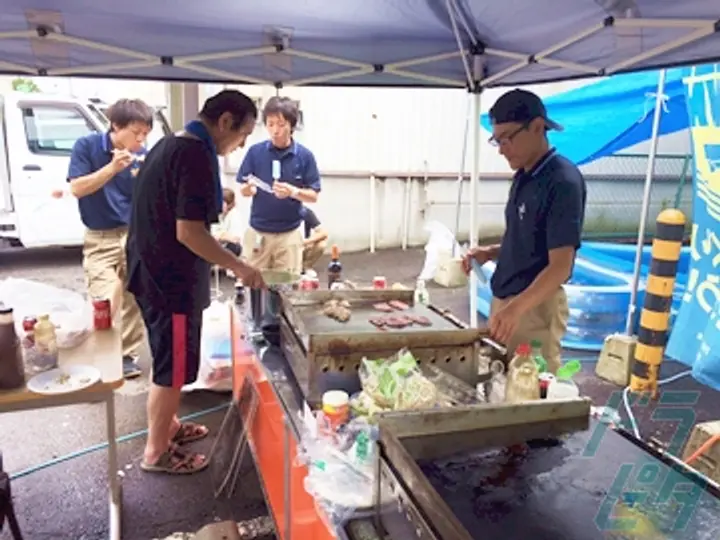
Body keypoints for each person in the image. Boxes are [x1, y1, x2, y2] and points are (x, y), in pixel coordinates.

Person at [126, 90, 265, 475]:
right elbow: (189, 232)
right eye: (243, 134)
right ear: (225, 122)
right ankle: (156, 452)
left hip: (147, 271)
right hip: (170, 283)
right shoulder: (197, 155)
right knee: (172, 371)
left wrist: (216, 197)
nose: (242, 144)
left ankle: (168, 426)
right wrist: (240, 267)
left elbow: (171, 203)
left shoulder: (172, 144)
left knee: (167, 359)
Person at [462, 89, 586, 374]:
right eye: (497, 139)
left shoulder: (562, 181)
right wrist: (490, 253)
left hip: (534, 308)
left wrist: (516, 309)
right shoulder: (525, 176)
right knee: (501, 381)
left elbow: (560, 268)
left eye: (507, 137)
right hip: (508, 301)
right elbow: (526, 237)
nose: (502, 148)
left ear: (538, 127)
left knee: (532, 388)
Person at [67, 98, 154, 380]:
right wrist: (112, 169)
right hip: (100, 236)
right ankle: (99, 355)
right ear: (116, 126)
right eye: (136, 132)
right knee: (105, 299)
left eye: (145, 134)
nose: (141, 140)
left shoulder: (143, 155)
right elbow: (78, 188)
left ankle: (126, 354)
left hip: (134, 234)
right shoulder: (87, 146)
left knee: (135, 295)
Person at [237, 97, 321, 276]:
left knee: (287, 288)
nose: (275, 130)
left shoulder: (304, 156)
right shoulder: (255, 152)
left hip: (289, 234)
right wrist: (247, 190)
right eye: (270, 124)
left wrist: (294, 192)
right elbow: (243, 186)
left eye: (281, 124)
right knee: (254, 285)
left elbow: (313, 195)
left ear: (292, 125)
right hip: (258, 232)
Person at [212, 188, 246, 302]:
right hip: (217, 245)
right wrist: (221, 235)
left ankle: (239, 286)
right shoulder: (218, 214)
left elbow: (235, 238)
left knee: (233, 248)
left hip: (229, 246)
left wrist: (220, 236)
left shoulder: (234, 215)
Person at [300, 205, 328, 272]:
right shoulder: (277, 212)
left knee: (321, 244)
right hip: (285, 248)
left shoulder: (305, 211)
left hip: (302, 246)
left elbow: (323, 233)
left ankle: (306, 267)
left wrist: (307, 241)